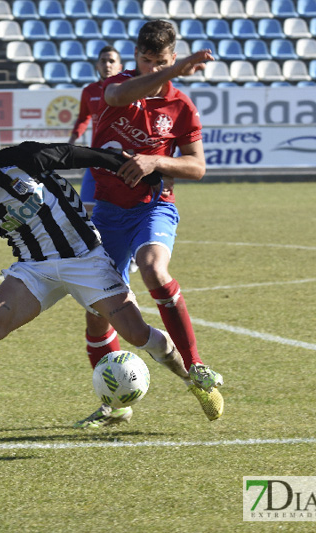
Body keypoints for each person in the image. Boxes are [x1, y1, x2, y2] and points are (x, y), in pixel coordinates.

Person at [0, 135, 180, 442]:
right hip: (35, 269)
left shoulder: (24, 158)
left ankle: (192, 376)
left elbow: (84, 155)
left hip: (85, 260)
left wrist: (152, 175)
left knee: (136, 334)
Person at [72, 20, 225, 430]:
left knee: (155, 267)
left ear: (171, 57)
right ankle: (115, 406)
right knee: (95, 312)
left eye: (160, 61)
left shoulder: (181, 108)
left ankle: (196, 369)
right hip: (107, 212)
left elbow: (197, 167)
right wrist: (172, 71)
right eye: (145, 60)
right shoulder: (115, 88)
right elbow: (122, 93)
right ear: (136, 56)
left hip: (153, 206)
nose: (149, 67)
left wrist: (157, 161)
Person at [68, 45, 124, 216]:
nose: (107, 65)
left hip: (123, 159)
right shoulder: (89, 91)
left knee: (123, 208)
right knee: (86, 209)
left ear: (120, 67)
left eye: (111, 61)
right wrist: (71, 141)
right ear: (97, 66)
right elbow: (83, 118)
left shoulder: (128, 90)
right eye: (103, 61)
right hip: (97, 157)